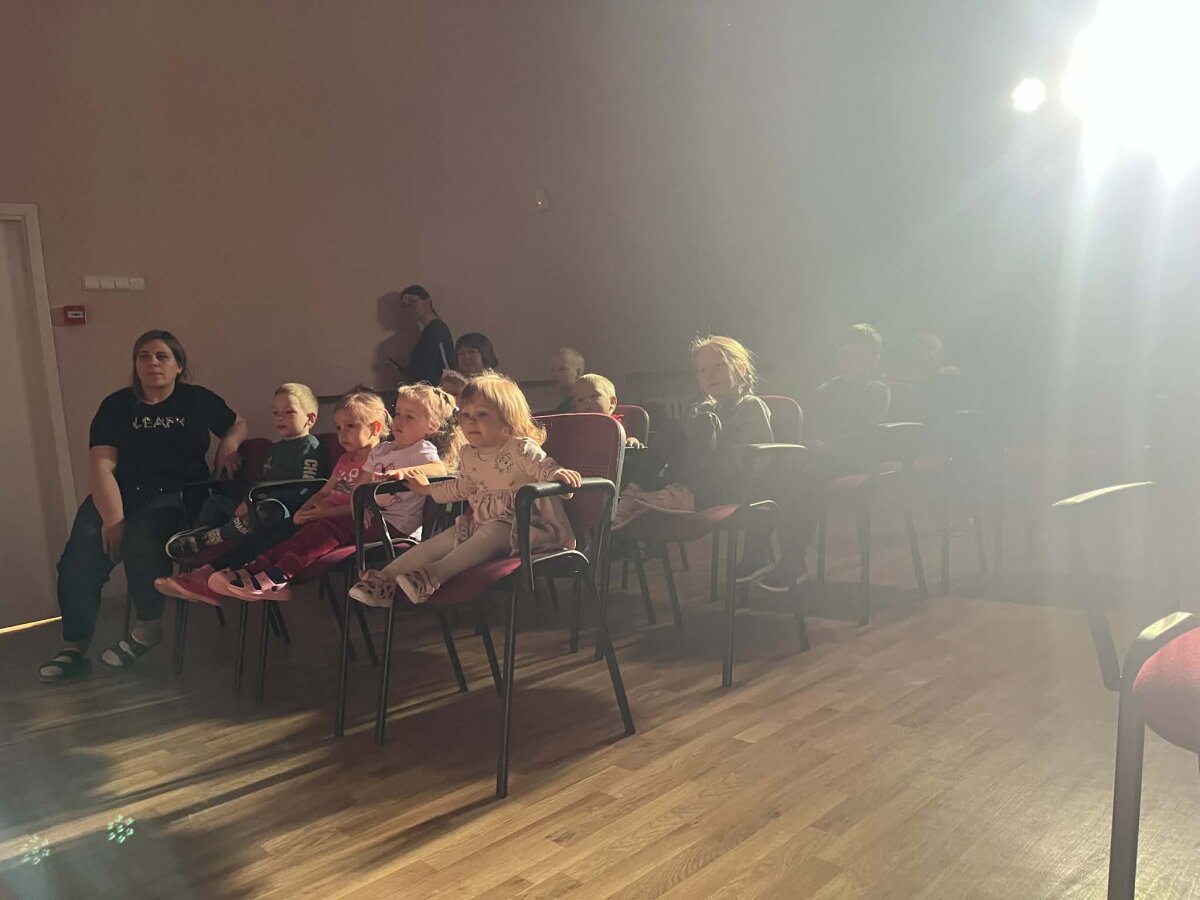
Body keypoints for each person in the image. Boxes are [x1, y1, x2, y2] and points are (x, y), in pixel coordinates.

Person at [38, 330, 247, 683]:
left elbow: (237, 423)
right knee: (78, 562)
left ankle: (148, 629)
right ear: (135, 365)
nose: (152, 363)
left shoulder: (197, 399)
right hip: (118, 494)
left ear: (178, 365)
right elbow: (101, 465)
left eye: (162, 356)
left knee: (141, 542)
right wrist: (113, 518)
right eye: (144, 356)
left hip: (176, 496)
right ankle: (74, 646)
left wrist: (229, 443)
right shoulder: (116, 405)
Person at [348, 373, 581, 607]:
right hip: (483, 525)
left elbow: (544, 467)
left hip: (528, 529)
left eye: (482, 414)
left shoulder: (520, 448)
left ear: (507, 419)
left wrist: (557, 474)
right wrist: (426, 488)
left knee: (493, 531)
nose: (471, 421)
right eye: (466, 415)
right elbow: (461, 487)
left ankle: (431, 576)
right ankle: (383, 580)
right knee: (445, 538)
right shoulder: (469, 454)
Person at [742, 323, 892, 593]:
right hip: (821, 456)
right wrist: (809, 443)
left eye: (857, 355)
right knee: (773, 474)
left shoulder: (876, 389)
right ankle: (756, 552)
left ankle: (793, 562)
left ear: (874, 360)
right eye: (844, 353)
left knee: (804, 481)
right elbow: (812, 425)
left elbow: (868, 432)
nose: (848, 360)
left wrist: (830, 446)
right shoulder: (827, 389)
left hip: (855, 458)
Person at [613, 336, 772, 529]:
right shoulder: (704, 409)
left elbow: (754, 460)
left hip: (732, 484)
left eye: (718, 367)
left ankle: (682, 492)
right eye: (702, 370)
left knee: (705, 422)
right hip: (698, 478)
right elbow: (684, 448)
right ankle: (635, 491)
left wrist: (709, 437)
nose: (709, 375)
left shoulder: (751, 406)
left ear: (741, 368)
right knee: (672, 427)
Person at [162, 383, 327, 561]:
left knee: (268, 512)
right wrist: (248, 501)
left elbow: (305, 489)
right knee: (215, 503)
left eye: (289, 412)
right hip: (257, 502)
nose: (280, 418)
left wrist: (258, 501)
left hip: (284, 511)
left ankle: (213, 537)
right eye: (276, 413)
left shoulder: (310, 448)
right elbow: (263, 480)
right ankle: (196, 536)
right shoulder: (275, 448)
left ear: (310, 419)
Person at [398, 285, 455, 386]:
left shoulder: (437, 329)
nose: (410, 308)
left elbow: (448, 365)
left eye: (413, 301)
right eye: (406, 306)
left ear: (427, 302)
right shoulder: (426, 332)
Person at [571, 373, 643, 447]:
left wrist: (631, 440)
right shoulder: (575, 427)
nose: (586, 401)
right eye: (580, 400)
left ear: (612, 402)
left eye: (593, 396)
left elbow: (626, 439)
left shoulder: (616, 425)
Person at [440, 332, 500, 399]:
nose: (467, 357)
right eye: (462, 353)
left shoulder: (497, 385)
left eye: (472, 352)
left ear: (485, 354)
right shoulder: (450, 383)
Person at [551, 347, 587, 412]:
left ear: (578, 373)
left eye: (562, 369)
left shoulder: (586, 405)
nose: (555, 374)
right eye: (552, 370)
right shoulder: (563, 406)